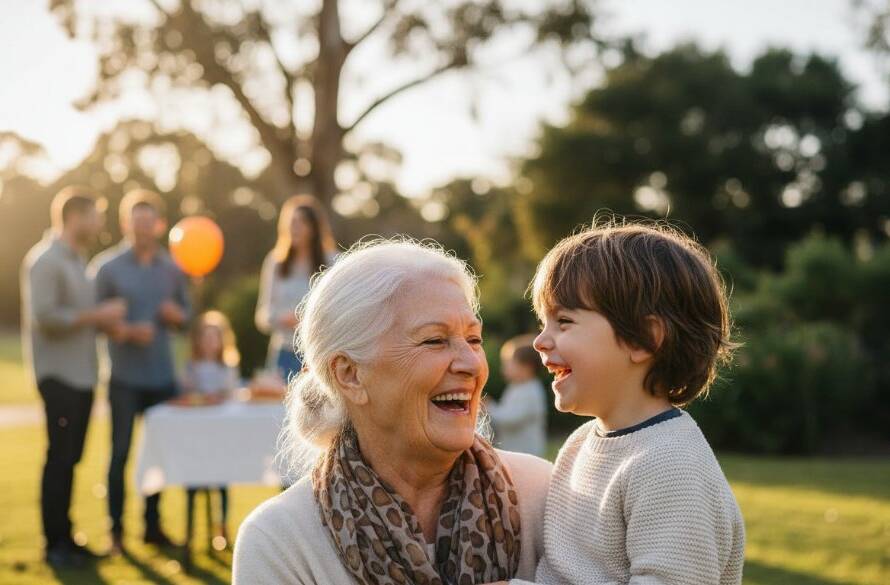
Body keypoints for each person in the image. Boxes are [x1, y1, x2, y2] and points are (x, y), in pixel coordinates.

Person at [233, 239, 552, 584]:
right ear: (349, 374)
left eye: (473, 340)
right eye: (434, 340)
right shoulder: (279, 542)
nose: (472, 364)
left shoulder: (541, 495)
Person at [501, 221, 745, 585]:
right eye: (543, 322)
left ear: (643, 340)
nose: (539, 341)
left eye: (564, 321)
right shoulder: (581, 444)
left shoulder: (670, 465)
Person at [20, 186, 127, 568]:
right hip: (58, 376)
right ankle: (54, 545)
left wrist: (106, 324)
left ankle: (67, 536)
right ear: (75, 217)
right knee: (59, 458)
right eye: (96, 214)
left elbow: (80, 321)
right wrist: (98, 317)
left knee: (71, 458)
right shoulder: (46, 261)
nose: (100, 222)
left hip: (82, 377)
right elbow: (45, 318)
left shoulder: (78, 261)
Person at [92, 189, 191, 554]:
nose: (143, 229)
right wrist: (127, 331)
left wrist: (176, 316)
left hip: (162, 377)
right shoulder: (107, 268)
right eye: (136, 222)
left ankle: (153, 527)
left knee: (160, 454)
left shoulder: (173, 268)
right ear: (125, 224)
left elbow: (188, 317)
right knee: (119, 454)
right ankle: (116, 533)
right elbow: (95, 320)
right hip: (123, 378)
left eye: (149, 222)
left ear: (159, 225)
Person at [255, 195, 337, 382]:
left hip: (320, 354)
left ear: (314, 228)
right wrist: (281, 319)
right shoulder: (275, 263)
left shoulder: (332, 261)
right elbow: (262, 315)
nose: (295, 228)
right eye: (292, 222)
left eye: (301, 223)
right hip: (283, 355)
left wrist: (308, 320)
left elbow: (340, 310)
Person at [180, 310, 241, 543]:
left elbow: (229, 393)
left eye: (214, 337)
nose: (210, 342)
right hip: (197, 437)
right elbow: (188, 393)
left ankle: (222, 525)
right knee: (195, 480)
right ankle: (191, 532)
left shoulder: (227, 367)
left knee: (222, 480)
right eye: (205, 337)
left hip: (220, 437)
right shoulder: (192, 367)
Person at [486, 334, 548, 457]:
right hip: (514, 449)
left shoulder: (531, 391)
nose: (503, 368)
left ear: (527, 367)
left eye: (508, 363)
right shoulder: (515, 387)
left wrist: (490, 407)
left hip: (526, 452)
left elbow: (511, 419)